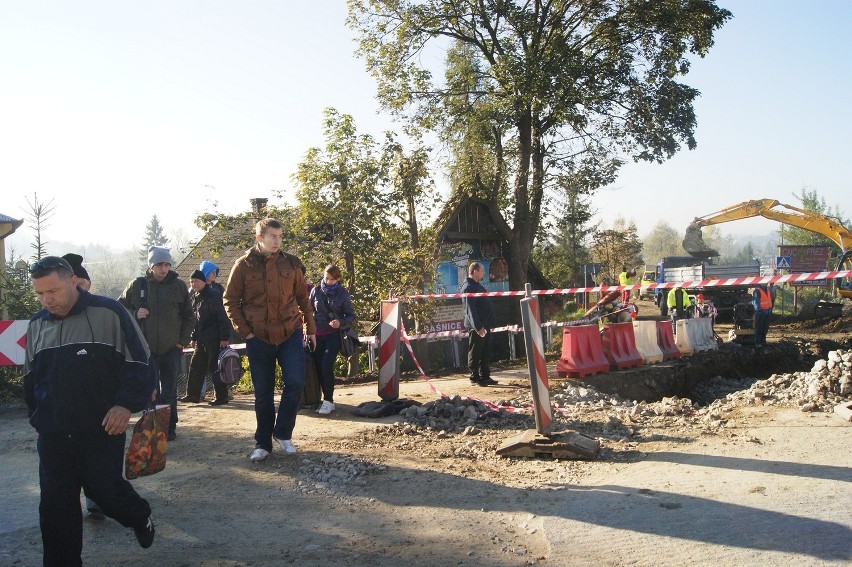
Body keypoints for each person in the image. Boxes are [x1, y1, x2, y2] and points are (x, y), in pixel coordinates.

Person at [24, 257, 156, 565]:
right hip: (54, 434)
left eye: (53, 291)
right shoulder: (36, 325)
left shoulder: (109, 313)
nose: (47, 300)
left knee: (106, 494)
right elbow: (31, 380)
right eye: (40, 294)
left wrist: (125, 404)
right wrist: (40, 418)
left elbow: (140, 363)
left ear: (72, 282)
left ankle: (139, 516)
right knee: (55, 510)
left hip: (101, 429)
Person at [224, 217, 316, 462]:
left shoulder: (291, 263)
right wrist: (246, 332)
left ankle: (283, 433)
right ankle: (262, 443)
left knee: (296, 383)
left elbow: (303, 298)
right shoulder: (243, 266)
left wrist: (311, 328)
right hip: (259, 337)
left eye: (280, 236)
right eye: (272, 236)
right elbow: (230, 301)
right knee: (263, 393)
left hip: (289, 333)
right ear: (259, 238)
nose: (277, 241)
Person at [119, 246, 194, 441]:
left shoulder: (178, 286)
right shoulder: (138, 285)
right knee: (150, 391)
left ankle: (168, 429)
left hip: (171, 348)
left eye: (167, 264)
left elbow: (189, 316)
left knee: (169, 391)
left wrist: (181, 342)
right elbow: (119, 310)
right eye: (160, 264)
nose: (164, 269)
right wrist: (135, 314)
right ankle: (151, 428)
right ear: (151, 266)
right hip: (145, 350)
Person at [62, 253, 107, 521]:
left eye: (83, 284)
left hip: (97, 398)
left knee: (95, 454)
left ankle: (96, 500)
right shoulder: (48, 318)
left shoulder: (105, 313)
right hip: (65, 402)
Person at [309, 264, 356, 415]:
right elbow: (308, 311)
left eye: (331, 280)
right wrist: (308, 331)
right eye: (326, 278)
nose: (328, 282)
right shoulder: (315, 291)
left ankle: (328, 401)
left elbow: (351, 315)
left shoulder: (342, 293)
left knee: (326, 366)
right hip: (316, 336)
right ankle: (322, 399)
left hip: (333, 336)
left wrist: (340, 322)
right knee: (318, 368)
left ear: (338, 279)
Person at [181, 270, 232, 405]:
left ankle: (222, 397)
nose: (193, 284)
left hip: (215, 339)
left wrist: (224, 337)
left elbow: (222, 317)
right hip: (201, 340)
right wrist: (193, 337)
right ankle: (193, 395)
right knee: (195, 367)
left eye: (196, 281)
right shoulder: (195, 296)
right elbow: (195, 320)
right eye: (191, 281)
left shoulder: (213, 295)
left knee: (215, 368)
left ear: (203, 281)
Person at [461, 261, 497, 386]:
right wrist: (478, 327)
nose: (484, 273)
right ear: (475, 271)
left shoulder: (478, 285)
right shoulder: (468, 287)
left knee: (485, 351)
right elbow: (470, 310)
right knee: (475, 351)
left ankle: (485, 375)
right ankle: (474, 377)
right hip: (477, 326)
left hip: (485, 324)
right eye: (482, 270)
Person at [752, 283, 776, 348]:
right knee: (759, 328)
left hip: (767, 312)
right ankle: (758, 342)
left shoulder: (767, 290)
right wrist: (759, 311)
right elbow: (755, 302)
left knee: (765, 328)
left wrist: (770, 309)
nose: (766, 283)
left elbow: (770, 300)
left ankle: (763, 341)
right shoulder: (757, 291)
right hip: (761, 312)